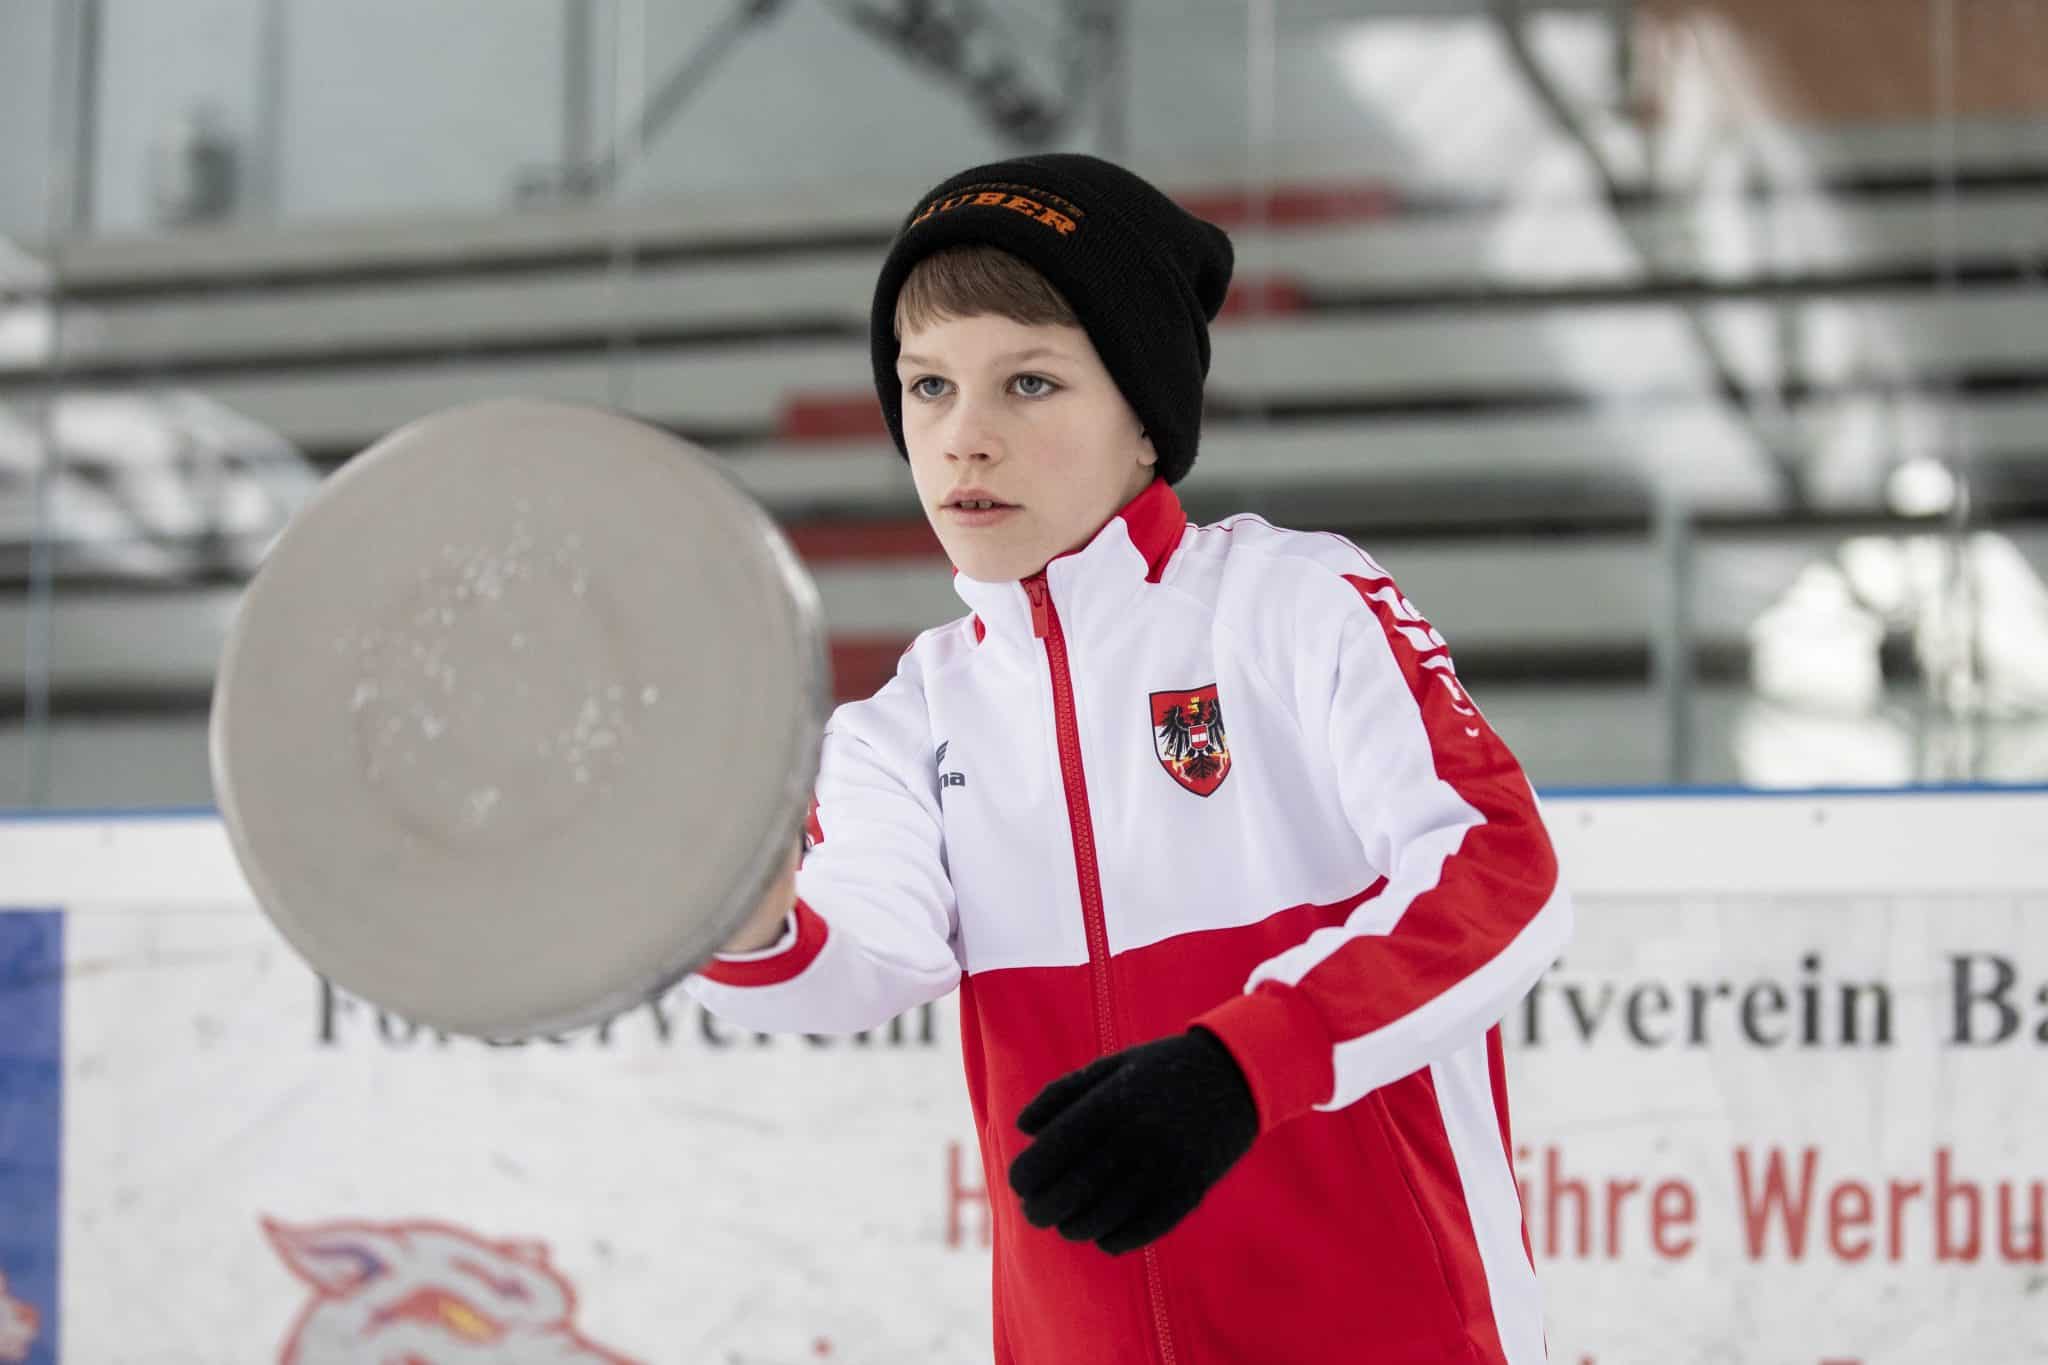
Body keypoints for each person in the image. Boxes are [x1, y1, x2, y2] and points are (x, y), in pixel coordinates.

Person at [684, 154, 1573, 1365]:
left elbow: (1498, 873)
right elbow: (854, 960)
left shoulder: (1296, 603)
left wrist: (1243, 1065)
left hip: (1393, 1333)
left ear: (1147, 418)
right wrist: (739, 913)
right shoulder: (901, 721)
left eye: (1030, 383)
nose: (964, 439)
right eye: (928, 386)